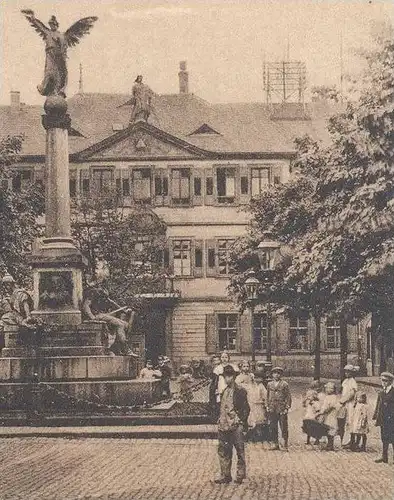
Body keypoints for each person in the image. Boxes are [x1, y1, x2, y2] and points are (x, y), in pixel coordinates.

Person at [214, 365, 250, 485]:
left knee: (239, 450)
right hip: (224, 425)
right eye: (225, 376)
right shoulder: (224, 391)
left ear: (234, 377)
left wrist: (241, 420)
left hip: (235, 425)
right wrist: (220, 419)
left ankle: (240, 474)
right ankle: (225, 475)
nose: (227, 379)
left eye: (229, 376)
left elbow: (246, 409)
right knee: (224, 450)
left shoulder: (240, 391)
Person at [82, 286, 136, 357]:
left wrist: (124, 310)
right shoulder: (93, 291)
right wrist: (92, 317)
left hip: (102, 314)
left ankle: (115, 348)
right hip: (97, 315)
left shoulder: (102, 290)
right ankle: (125, 349)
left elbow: (111, 302)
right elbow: (86, 306)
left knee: (125, 324)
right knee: (120, 325)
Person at [267, 366, 292, 451]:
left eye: (278, 373)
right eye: (274, 373)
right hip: (272, 408)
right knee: (272, 426)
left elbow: (288, 397)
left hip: (281, 408)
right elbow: (267, 396)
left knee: (283, 426)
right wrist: (267, 405)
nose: (276, 375)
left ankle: (284, 444)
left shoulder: (284, 384)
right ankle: (275, 443)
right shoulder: (269, 384)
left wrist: (287, 407)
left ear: (281, 375)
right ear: (272, 375)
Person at [373, 371, 394, 464]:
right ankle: (384, 456)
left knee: (392, 438)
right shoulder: (382, 392)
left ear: (390, 381)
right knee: (384, 437)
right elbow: (379, 405)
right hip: (383, 418)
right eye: (382, 380)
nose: (383, 382)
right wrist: (376, 416)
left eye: (385, 381)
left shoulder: (392, 392)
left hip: (391, 419)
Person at [338, 364, 358, 448]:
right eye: (346, 372)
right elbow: (343, 392)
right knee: (343, 420)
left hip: (350, 404)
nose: (347, 373)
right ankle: (345, 440)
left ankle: (351, 440)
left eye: (349, 372)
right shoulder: (345, 381)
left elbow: (351, 394)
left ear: (352, 373)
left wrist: (343, 400)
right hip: (345, 404)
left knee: (350, 421)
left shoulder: (353, 382)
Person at [316, 382, 339, 451]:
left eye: (327, 388)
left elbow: (330, 406)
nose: (326, 390)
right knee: (328, 429)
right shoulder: (327, 397)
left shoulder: (333, 397)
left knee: (331, 429)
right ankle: (329, 444)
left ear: (331, 389)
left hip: (331, 415)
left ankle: (330, 445)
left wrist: (323, 412)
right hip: (327, 415)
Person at [302, 381, 322, 445]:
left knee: (316, 426)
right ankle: (308, 439)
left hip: (313, 415)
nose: (308, 397)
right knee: (308, 426)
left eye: (310, 396)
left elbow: (318, 409)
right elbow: (304, 405)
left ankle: (317, 439)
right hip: (308, 415)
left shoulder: (316, 402)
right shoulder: (308, 401)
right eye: (308, 396)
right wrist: (306, 401)